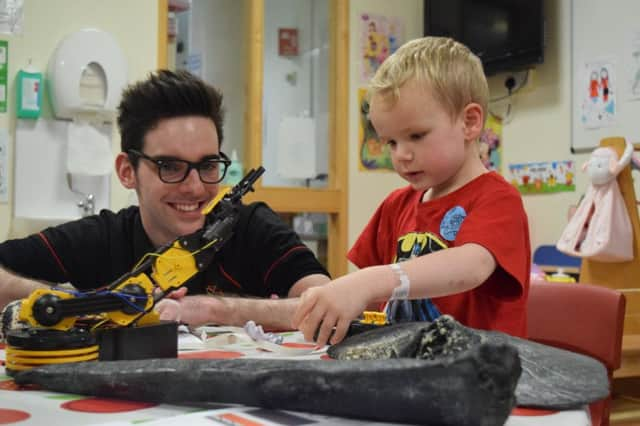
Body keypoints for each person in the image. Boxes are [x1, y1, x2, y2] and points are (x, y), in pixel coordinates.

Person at [0, 70, 329, 331]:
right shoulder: (101, 238)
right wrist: (81, 304)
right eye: (170, 167)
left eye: (208, 165)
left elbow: (326, 300)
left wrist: (217, 309)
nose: (195, 186)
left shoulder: (251, 227)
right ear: (128, 171)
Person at [293, 36, 530, 346]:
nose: (401, 155)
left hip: (477, 382)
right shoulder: (396, 205)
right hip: (407, 375)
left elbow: (473, 266)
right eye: (391, 142)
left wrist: (368, 282)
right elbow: (365, 302)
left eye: (416, 136)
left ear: (470, 123)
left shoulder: (497, 199)